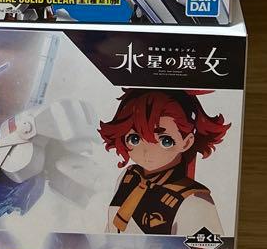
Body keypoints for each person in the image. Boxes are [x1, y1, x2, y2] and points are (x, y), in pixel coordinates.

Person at [98, 88, 230, 236]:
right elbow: (109, 231)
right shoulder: (128, 177)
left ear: (186, 142)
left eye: (165, 141)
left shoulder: (195, 200)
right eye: (134, 139)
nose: (147, 151)